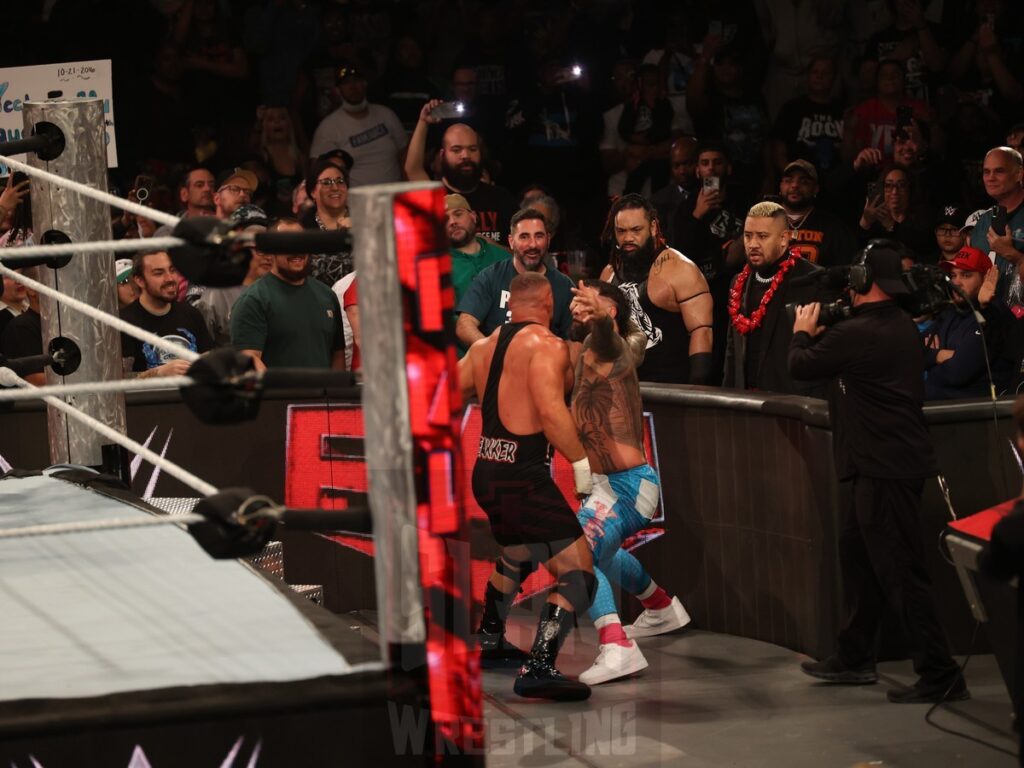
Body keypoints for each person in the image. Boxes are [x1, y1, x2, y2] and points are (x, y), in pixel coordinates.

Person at [789, 241, 969, 704]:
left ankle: (941, 672)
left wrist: (802, 330)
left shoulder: (864, 331)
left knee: (900, 571)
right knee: (861, 557)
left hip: (885, 467)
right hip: (879, 465)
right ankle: (854, 655)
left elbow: (800, 364)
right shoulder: (893, 324)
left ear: (865, 281)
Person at [459, 271, 596, 701]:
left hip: (487, 469)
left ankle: (490, 638)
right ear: (549, 303)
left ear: (508, 305)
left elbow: (442, 391)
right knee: (578, 572)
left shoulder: (482, 347)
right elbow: (552, 412)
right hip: (523, 473)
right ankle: (539, 665)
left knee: (519, 552)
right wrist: (582, 464)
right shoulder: (548, 346)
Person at [568, 280, 690, 686]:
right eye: (576, 299)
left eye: (591, 301)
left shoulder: (611, 346)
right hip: (608, 482)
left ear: (611, 313)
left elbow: (606, 332)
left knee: (579, 554)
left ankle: (617, 645)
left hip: (628, 485)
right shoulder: (587, 350)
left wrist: (600, 317)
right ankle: (660, 606)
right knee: (600, 554)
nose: (578, 304)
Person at [602, 194, 713, 385]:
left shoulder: (680, 268)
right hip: (623, 386)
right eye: (621, 231)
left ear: (653, 228)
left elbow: (701, 331)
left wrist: (697, 389)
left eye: (636, 230)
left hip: (670, 387)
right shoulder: (609, 273)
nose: (628, 238)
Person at [723, 201, 825, 395]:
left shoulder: (811, 279)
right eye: (747, 236)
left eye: (762, 236)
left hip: (791, 401)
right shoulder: (738, 282)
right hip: (744, 400)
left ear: (784, 239)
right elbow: (732, 350)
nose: (752, 244)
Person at [230, 218, 346, 370]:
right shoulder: (253, 300)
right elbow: (249, 360)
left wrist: (332, 392)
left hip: (324, 393)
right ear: (271, 250)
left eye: (301, 242)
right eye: (289, 244)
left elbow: (338, 355)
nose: (297, 251)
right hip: (278, 393)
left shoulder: (327, 295)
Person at [456, 208, 573, 348]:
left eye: (539, 236)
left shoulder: (564, 285)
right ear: (511, 242)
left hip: (545, 365)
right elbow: (464, 325)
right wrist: (492, 353)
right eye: (524, 237)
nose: (533, 245)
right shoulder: (491, 277)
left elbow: (573, 341)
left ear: (548, 239)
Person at [405, 111, 517, 243]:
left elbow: (520, 252)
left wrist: (486, 246)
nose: (465, 155)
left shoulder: (501, 198)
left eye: (472, 149)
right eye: (456, 150)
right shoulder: (433, 197)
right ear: (442, 155)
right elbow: (412, 169)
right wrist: (423, 122)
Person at [309, 63, 408, 187]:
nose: (353, 86)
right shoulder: (328, 127)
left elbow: (405, 154)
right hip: (356, 201)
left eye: (356, 81)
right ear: (338, 90)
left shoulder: (386, 114)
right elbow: (317, 170)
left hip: (394, 196)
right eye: (346, 83)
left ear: (365, 83)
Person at [120, 251, 214, 379]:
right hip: (150, 398)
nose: (170, 278)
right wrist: (159, 373)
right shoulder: (124, 322)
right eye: (159, 273)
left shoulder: (191, 314)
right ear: (140, 281)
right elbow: (120, 380)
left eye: (172, 270)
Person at [195, 205, 273, 346]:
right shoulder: (216, 294)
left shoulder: (280, 289)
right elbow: (203, 347)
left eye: (270, 250)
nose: (268, 257)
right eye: (260, 250)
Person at [923, 245, 994, 400]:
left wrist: (932, 358)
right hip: (933, 410)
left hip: (972, 416)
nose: (957, 282)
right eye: (953, 275)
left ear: (986, 278)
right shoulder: (951, 311)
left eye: (966, 275)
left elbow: (958, 372)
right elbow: (912, 353)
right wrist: (940, 355)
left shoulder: (993, 315)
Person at [968, 147, 1024, 312]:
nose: (990, 178)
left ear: (1019, 173)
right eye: (986, 172)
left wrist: (1012, 255)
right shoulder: (982, 222)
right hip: (989, 319)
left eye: (999, 171)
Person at [777, 160, 858, 268]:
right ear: (780, 186)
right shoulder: (764, 222)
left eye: (804, 182)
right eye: (788, 180)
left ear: (816, 189)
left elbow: (846, 271)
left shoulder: (833, 227)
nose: (795, 185)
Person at [446, 193, 508, 314]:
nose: (452, 222)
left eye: (458, 214)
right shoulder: (439, 268)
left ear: (473, 216)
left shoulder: (504, 258)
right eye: (445, 219)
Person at [300, 157, 353, 286]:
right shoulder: (302, 229)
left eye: (340, 181)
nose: (335, 187)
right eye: (326, 182)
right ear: (313, 192)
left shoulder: (365, 220)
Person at [650, 137, 698, 247]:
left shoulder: (713, 195)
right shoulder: (657, 202)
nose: (682, 171)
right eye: (676, 166)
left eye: (687, 164)